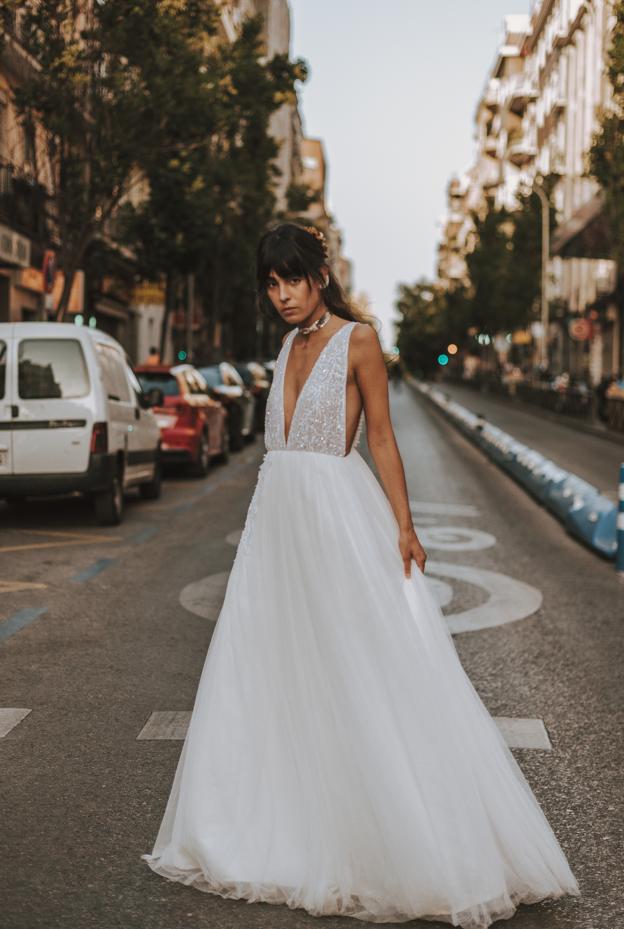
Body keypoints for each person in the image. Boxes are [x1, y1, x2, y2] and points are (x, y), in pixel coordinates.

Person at [141, 222, 580, 927]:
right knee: (265, 661)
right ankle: (265, 825)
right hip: (275, 520)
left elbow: (380, 434)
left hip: (334, 515)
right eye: (272, 283)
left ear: (320, 275)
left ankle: (387, 833)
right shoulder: (283, 345)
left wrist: (404, 525)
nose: (282, 295)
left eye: (293, 278)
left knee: (356, 662)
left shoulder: (361, 340)